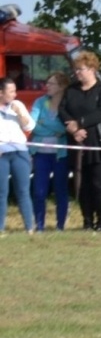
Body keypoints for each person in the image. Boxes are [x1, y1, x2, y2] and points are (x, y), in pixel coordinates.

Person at [59, 51, 101, 232]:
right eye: (76, 70)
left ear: (92, 69)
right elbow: (62, 110)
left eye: (81, 69)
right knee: (82, 184)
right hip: (76, 143)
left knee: (98, 184)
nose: (77, 73)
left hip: (97, 144)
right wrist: (73, 128)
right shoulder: (71, 90)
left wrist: (81, 123)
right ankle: (86, 221)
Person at [29, 71, 71, 232]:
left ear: (61, 87)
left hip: (60, 155)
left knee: (61, 189)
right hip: (40, 154)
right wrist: (54, 130)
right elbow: (33, 125)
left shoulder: (66, 105)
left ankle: (60, 226)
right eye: (47, 83)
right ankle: (39, 226)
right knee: (39, 191)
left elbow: (65, 128)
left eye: (51, 83)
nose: (47, 86)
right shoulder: (40, 103)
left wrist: (45, 124)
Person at [0, 77, 36, 234]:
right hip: (2, 153)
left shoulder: (18, 105)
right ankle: (0, 228)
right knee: (2, 192)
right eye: (11, 91)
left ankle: (29, 227)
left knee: (23, 190)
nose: (15, 95)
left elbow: (29, 126)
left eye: (15, 91)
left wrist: (20, 113)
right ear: (1, 93)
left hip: (20, 152)